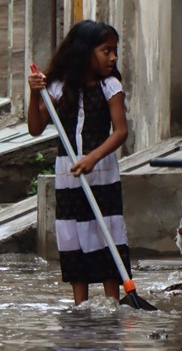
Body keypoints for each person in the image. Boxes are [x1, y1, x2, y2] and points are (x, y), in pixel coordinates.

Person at [26, 20, 131, 306]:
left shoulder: (111, 86)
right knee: (74, 235)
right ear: (86, 52)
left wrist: (93, 158)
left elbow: (120, 131)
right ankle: (80, 306)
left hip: (103, 174)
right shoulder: (58, 88)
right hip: (69, 174)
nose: (113, 58)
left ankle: (112, 301)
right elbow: (35, 128)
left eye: (114, 51)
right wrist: (35, 92)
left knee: (105, 231)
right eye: (106, 51)